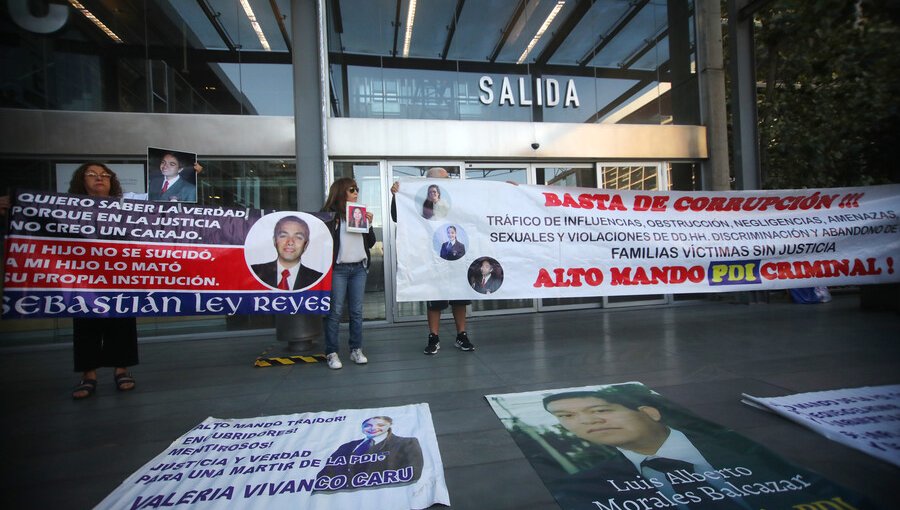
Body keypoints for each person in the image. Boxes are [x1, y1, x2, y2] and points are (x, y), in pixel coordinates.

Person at [541, 385, 873, 510]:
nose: (588, 422)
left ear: (649, 412)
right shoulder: (582, 489)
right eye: (567, 416)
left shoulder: (750, 452)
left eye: (600, 410)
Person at [67, 163, 139, 399]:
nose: (99, 178)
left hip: (119, 274)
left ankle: (122, 369)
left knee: (122, 320)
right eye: (92, 174)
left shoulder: (125, 204)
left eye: (104, 175)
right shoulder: (67, 207)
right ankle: (89, 374)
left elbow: (166, 200)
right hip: (83, 276)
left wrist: (190, 173)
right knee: (85, 323)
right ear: (81, 180)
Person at [391, 168, 474, 355]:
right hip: (432, 258)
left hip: (455, 258)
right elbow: (399, 217)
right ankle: (433, 337)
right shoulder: (420, 204)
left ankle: (461, 335)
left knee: (459, 297)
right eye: (441, 181)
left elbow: (480, 209)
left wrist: (507, 191)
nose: (446, 183)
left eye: (446, 180)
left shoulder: (458, 199)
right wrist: (397, 196)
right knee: (435, 298)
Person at [321, 178, 376, 370]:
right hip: (339, 269)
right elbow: (322, 241)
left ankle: (356, 349)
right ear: (341, 192)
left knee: (357, 311)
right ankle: (331, 352)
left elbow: (370, 243)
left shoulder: (358, 214)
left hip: (359, 268)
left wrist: (369, 224)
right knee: (335, 311)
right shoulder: (329, 216)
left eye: (357, 189)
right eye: (352, 189)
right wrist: (333, 224)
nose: (356, 192)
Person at [315, 415, 423, 492]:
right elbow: (327, 471)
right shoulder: (347, 446)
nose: (373, 428)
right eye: (367, 425)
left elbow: (414, 470)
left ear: (389, 426)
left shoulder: (407, 443)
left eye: (380, 425)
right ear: (362, 427)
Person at [251, 215, 323, 291]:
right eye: (283, 236)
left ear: (306, 244)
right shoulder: (254, 273)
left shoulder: (319, 279)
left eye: (298, 237)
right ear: (274, 241)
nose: (290, 242)